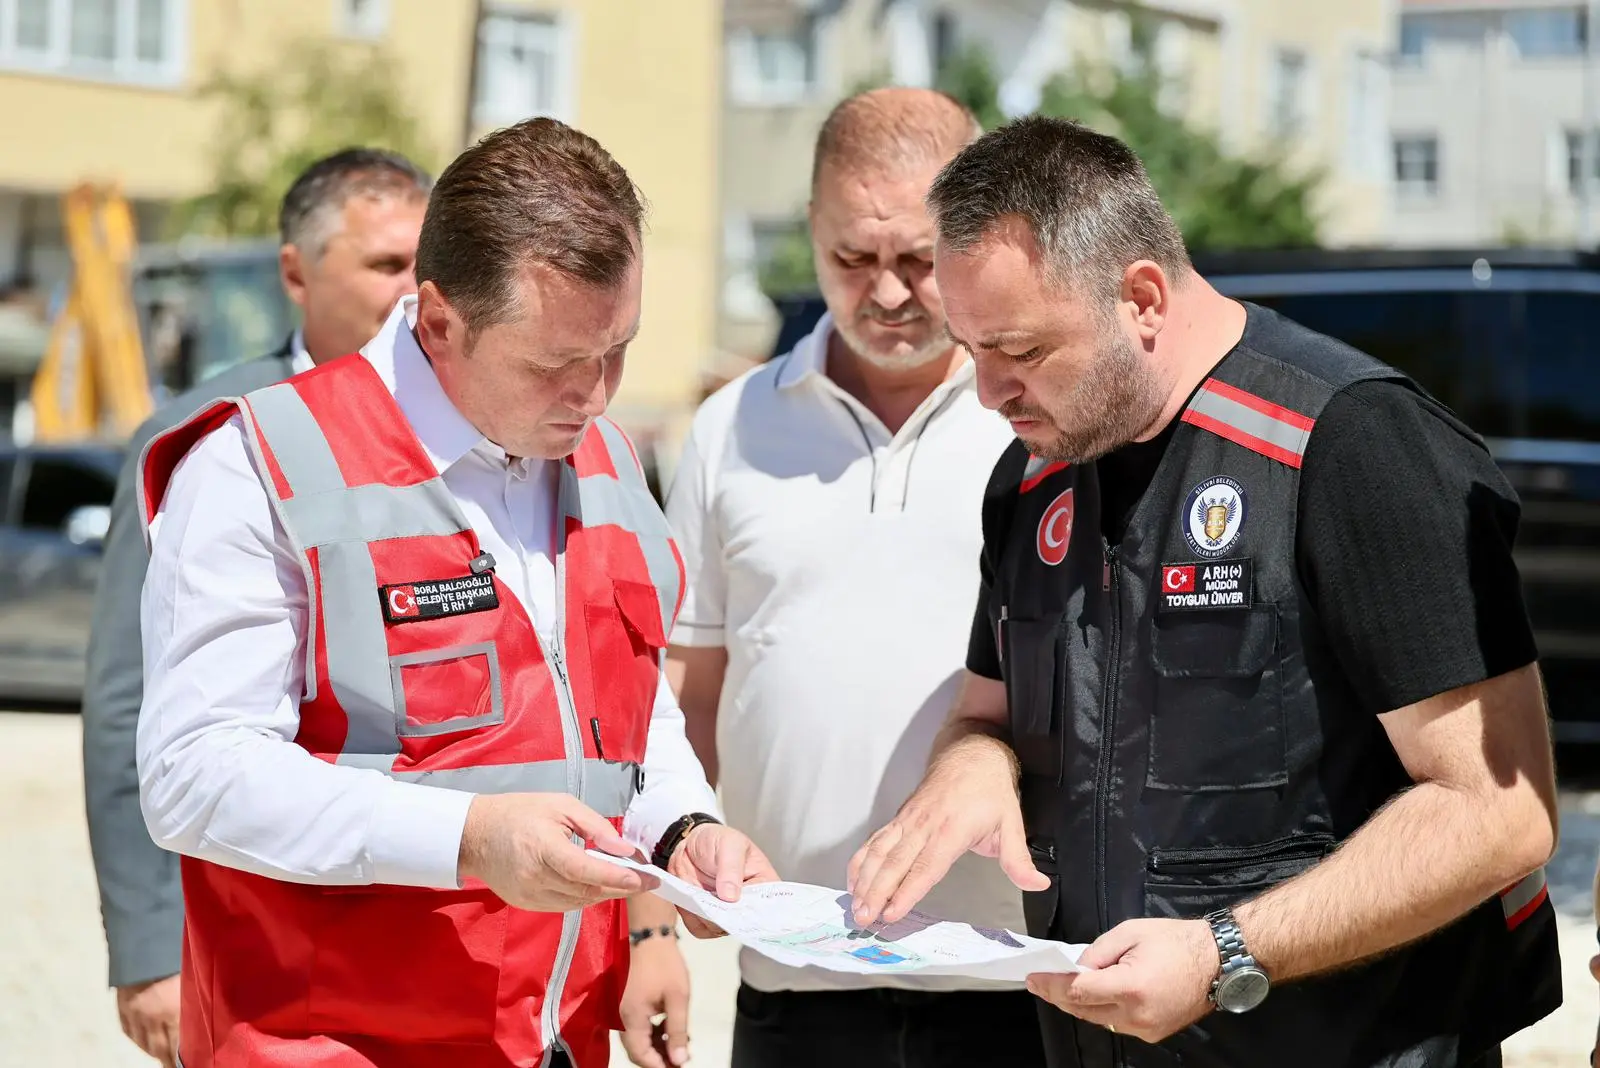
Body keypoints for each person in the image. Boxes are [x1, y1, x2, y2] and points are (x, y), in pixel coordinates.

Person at [848, 115, 1562, 1068]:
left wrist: (1224, 954)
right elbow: (988, 711)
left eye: (1017, 349)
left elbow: (1499, 812)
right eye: (971, 347)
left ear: (1141, 298)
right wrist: (976, 761)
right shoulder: (1032, 479)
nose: (987, 391)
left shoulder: (1350, 445)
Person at [133, 117, 775, 1068]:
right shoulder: (259, 463)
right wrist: (469, 839)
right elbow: (194, 773)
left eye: (618, 349)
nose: (596, 395)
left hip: (558, 1038)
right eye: (556, 361)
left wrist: (681, 825)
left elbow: (626, 705)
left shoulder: (597, 454)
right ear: (438, 320)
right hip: (333, 1043)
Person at [617, 88, 1048, 1068]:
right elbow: (681, 700)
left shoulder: (1039, 420)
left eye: (917, 259)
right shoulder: (732, 428)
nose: (888, 293)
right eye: (854, 258)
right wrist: (648, 924)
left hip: (1012, 981)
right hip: (793, 984)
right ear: (809, 229)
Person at [82, 146, 432, 1068]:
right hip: (253, 944)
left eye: (427, 265)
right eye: (387, 263)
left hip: (427, 940)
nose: (414, 291)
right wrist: (149, 945)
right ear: (295, 272)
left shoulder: (461, 438)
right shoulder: (204, 439)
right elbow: (128, 702)